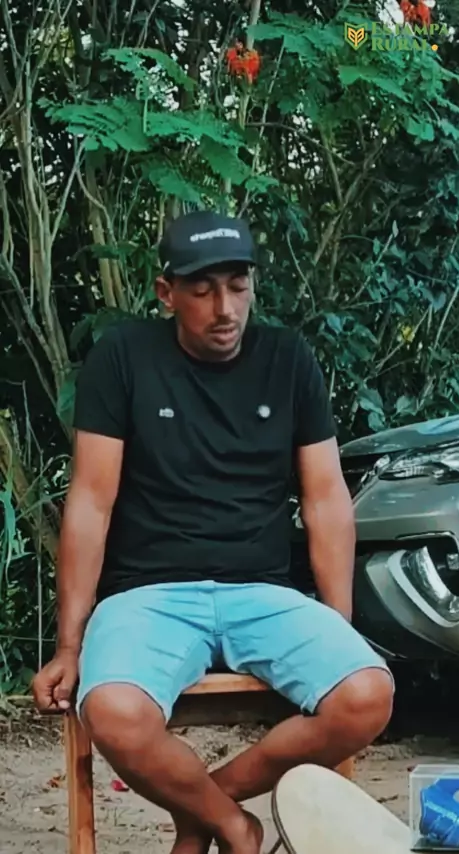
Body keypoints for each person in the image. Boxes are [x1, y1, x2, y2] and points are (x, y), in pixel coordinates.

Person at [33, 211, 394, 854]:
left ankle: (205, 811)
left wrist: (337, 621)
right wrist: (68, 646)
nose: (225, 309)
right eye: (202, 291)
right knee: (112, 710)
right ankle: (234, 827)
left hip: (263, 592)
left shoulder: (287, 358)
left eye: (238, 286)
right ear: (166, 292)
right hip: (149, 595)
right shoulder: (123, 356)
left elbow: (325, 498)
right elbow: (90, 503)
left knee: (367, 695)